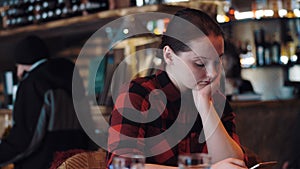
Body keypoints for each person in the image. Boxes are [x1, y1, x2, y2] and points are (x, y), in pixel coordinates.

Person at [106, 8, 248, 169]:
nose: (212, 73)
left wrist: (205, 105)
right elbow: (122, 166)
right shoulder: (137, 94)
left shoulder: (216, 100)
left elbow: (234, 164)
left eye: (217, 62)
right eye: (200, 63)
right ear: (169, 55)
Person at [0, 35, 96, 169]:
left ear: (22, 64)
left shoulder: (33, 83)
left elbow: (25, 138)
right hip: (75, 163)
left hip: (42, 164)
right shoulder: (72, 79)